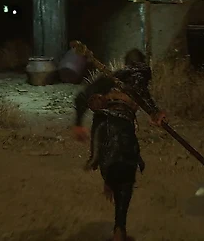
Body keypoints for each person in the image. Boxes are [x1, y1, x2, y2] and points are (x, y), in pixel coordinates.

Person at [71, 48, 166, 241]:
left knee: (112, 166)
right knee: (126, 178)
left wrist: (78, 124)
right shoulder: (138, 75)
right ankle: (119, 229)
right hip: (119, 128)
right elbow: (141, 92)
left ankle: (110, 181)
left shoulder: (110, 78)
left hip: (101, 131)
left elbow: (81, 97)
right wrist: (155, 112)